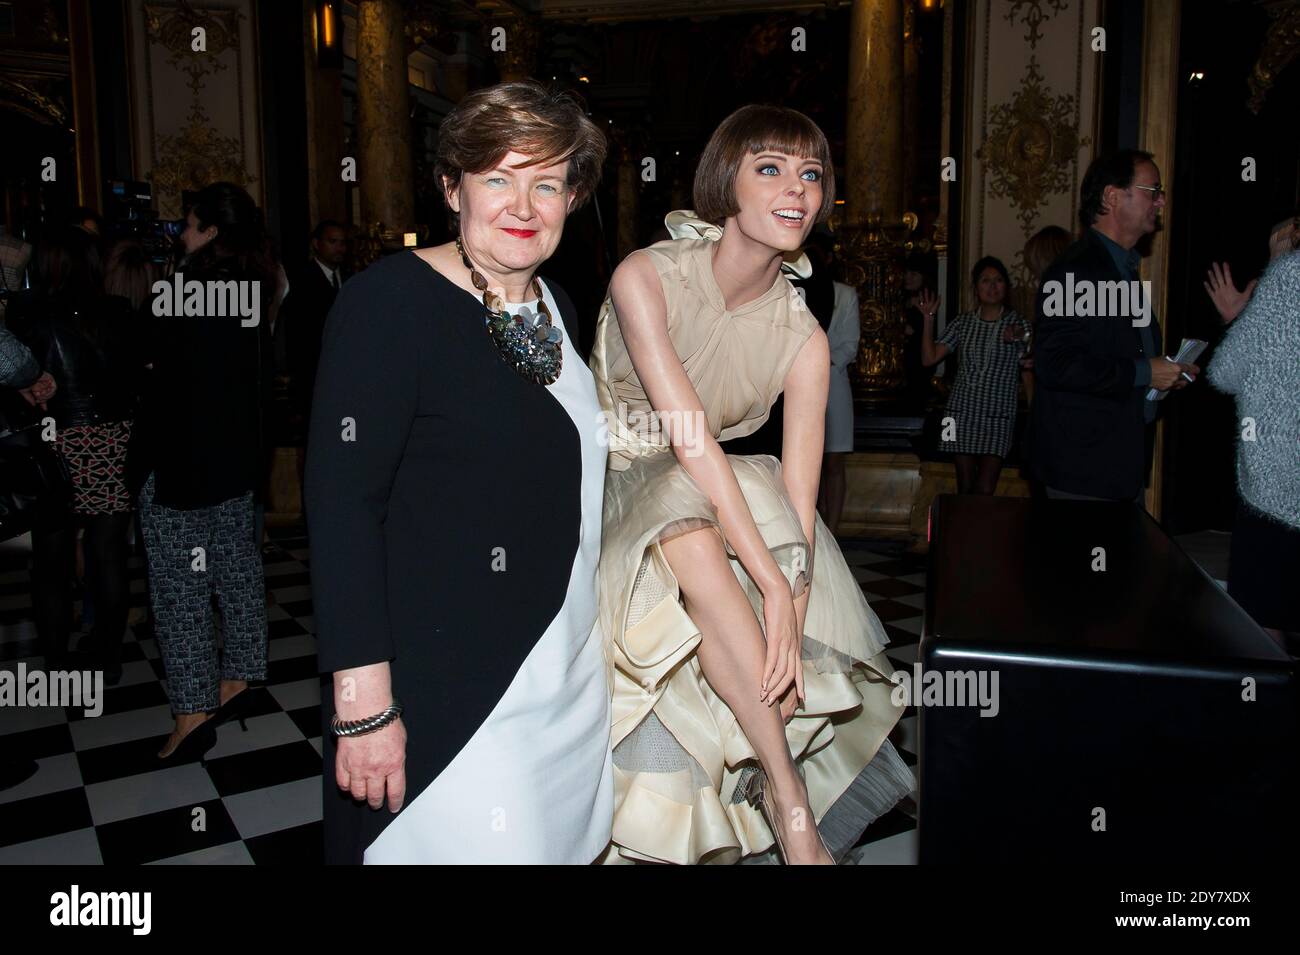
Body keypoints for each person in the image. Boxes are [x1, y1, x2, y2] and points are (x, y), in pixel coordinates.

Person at [590, 105, 912, 865]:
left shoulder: (802, 334)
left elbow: (800, 504)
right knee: (695, 529)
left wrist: (789, 611)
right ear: (723, 184)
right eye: (769, 167)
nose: (796, 188)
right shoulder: (648, 274)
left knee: (730, 536)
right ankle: (790, 799)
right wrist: (767, 580)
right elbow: (688, 434)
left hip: (711, 487)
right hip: (610, 471)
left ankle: (776, 785)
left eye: (810, 173)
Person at [307, 81, 612, 864]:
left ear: (572, 198)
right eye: (497, 178)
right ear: (452, 187)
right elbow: (342, 507)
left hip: (565, 675)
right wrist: (362, 706)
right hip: (453, 687)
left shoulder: (558, 308)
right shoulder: (390, 305)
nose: (524, 203)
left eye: (547, 183)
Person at [133, 182, 274, 760]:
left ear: (210, 232)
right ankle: (240, 674)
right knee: (237, 570)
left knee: (179, 589)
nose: (180, 234)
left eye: (188, 225)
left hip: (178, 463)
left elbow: (143, 359)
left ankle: (192, 710)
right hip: (235, 459)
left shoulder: (181, 289)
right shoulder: (256, 288)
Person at [7, 226, 145, 682]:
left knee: (51, 559)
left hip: (52, 439)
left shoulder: (26, 311)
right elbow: (134, 377)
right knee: (108, 553)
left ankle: (57, 665)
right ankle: (107, 660)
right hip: (110, 436)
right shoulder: (118, 310)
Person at [1030, 149, 1197, 503]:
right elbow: (1055, 363)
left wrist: (1166, 370)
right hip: (1084, 470)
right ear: (1112, 196)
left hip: (1119, 463)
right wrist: (1144, 373)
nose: (1161, 201)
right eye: (1152, 190)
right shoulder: (1077, 269)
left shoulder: (1123, 267)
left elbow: (1124, 350)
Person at [1206, 213, 1300, 648]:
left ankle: (1273, 712)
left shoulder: (1285, 277)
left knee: (1263, 617)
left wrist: (1239, 316)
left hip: (1278, 488)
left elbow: (1225, 372)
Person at [919, 256, 1029, 494]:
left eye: (998, 281)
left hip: (999, 415)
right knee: (964, 486)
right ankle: (963, 531)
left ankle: (982, 531)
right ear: (976, 288)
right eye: (985, 281)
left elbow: (1031, 355)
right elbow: (929, 358)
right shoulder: (963, 322)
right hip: (958, 414)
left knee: (986, 488)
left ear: (1006, 287)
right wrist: (928, 319)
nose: (992, 287)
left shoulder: (1017, 323)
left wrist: (1020, 337)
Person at [285, 220, 349, 427]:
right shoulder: (301, 280)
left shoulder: (352, 278)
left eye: (343, 242)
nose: (340, 248)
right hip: (312, 375)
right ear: (316, 244)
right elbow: (297, 335)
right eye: (333, 242)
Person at [820, 245, 860, 534]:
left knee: (833, 460)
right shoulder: (787, 287)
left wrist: (817, 361)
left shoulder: (845, 294)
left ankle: (832, 531)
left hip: (833, 383)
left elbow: (849, 344)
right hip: (792, 384)